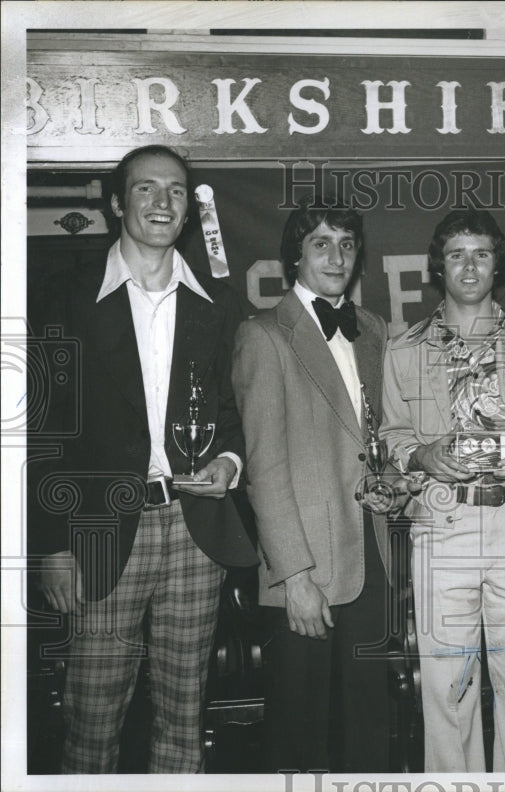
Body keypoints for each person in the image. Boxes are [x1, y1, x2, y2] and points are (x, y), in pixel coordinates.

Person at [28, 145, 258, 773]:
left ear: (188, 209)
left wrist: (230, 463)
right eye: (147, 189)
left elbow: (233, 412)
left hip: (194, 528)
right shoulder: (63, 298)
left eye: (177, 191)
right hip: (98, 535)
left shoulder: (218, 302)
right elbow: (41, 431)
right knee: (91, 718)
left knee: (185, 715)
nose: (162, 202)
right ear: (115, 203)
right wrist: (51, 545)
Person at [380, 208, 505, 772]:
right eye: (457, 253)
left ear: (497, 265)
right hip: (441, 524)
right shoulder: (404, 346)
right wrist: (422, 454)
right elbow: (392, 435)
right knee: (448, 685)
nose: (469, 264)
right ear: (439, 265)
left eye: (481, 253)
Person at [231, 205, 394, 772]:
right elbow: (265, 471)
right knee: (300, 734)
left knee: (371, 726)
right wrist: (294, 577)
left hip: (373, 557)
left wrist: (391, 486)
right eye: (321, 244)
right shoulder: (263, 336)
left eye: (347, 244)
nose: (336, 256)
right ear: (294, 257)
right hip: (304, 568)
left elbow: (381, 440)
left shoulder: (373, 329)